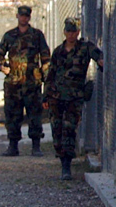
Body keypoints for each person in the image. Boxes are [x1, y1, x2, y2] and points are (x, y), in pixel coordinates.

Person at [43, 18, 103, 180]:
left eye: (74, 31)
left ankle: (66, 166)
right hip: (56, 97)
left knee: (69, 130)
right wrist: (46, 96)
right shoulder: (58, 51)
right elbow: (51, 75)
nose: (71, 34)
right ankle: (61, 156)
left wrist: (101, 61)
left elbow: (98, 55)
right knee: (57, 130)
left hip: (74, 98)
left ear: (78, 32)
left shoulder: (84, 48)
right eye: (68, 31)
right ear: (64, 32)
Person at [0, 5, 51, 156]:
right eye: (21, 15)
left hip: (32, 82)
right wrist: (2, 67)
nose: (24, 18)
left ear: (29, 17)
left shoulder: (37, 35)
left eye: (26, 16)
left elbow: (45, 56)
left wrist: (45, 75)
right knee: (13, 115)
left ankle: (36, 145)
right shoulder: (9, 35)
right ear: (17, 16)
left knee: (34, 114)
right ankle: (13, 145)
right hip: (13, 83)